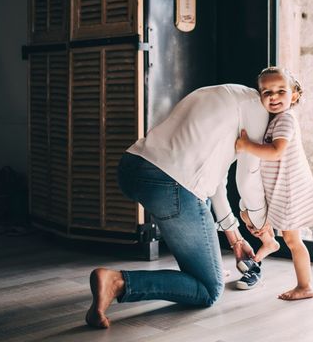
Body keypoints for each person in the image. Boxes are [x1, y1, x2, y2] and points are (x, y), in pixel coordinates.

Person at [85, 84, 271, 329]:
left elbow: (216, 180)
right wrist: (262, 225)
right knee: (208, 289)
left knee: (200, 194)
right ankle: (118, 282)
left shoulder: (224, 93)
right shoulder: (261, 113)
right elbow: (247, 178)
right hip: (170, 182)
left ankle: (206, 264)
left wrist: (235, 239)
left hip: (133, 166)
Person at [235, 67, 313, 300]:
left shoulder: (285, 120)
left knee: (293, 240)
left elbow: (276, 152)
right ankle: (269, 243)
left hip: (289, 189)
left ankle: (305, 286)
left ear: (293, 95)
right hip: (280, 187)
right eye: (266, 92)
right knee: (249, 216)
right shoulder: (276, 119)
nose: (273, 97)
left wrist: (246, 146)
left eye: (280, 91)